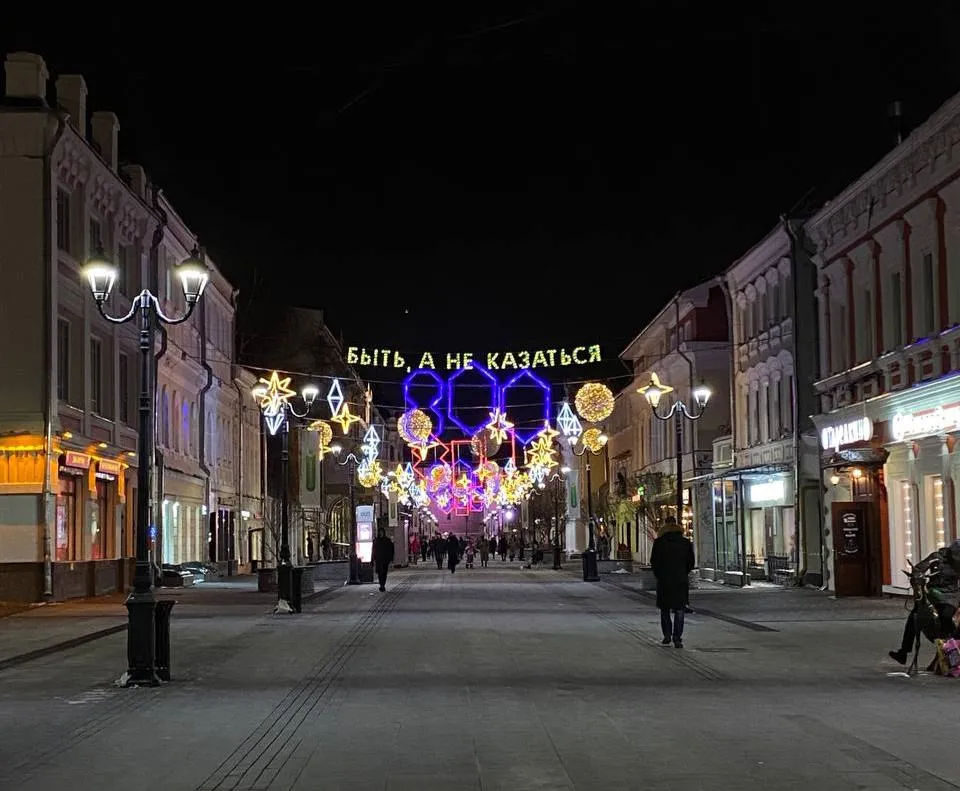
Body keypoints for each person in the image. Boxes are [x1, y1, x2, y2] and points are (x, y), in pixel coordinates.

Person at [889, 540, 960, 665]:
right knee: (915, 616)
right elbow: (920, 568)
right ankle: (904, 651)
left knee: (946, 616)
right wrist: (918, 576)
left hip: (952, 594)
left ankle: (952, 645)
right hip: (934, 591)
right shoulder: (937, 557)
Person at [650, 516, 695, 648]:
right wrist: (683, 572)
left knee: (665, 609)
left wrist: (659, 575)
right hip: (680, 580)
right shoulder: (685, 543)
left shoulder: (659, 543)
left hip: (664, 580)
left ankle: (667, 635)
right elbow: (690, 563)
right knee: (679, 609)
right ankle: (677, 637)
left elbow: (654, 562)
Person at [372, 527, 395, 592]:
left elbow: (391, 550)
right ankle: (381, 585)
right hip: (379, 560)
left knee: (384, 572)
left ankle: (383, 584)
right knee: (380, 572)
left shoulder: (387, 540)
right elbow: (373, 550)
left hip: (385, 559)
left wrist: (390, 558)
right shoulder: (376, 541)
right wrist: (372, 559)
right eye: (380, 532)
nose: (380, 533)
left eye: (382, 532)